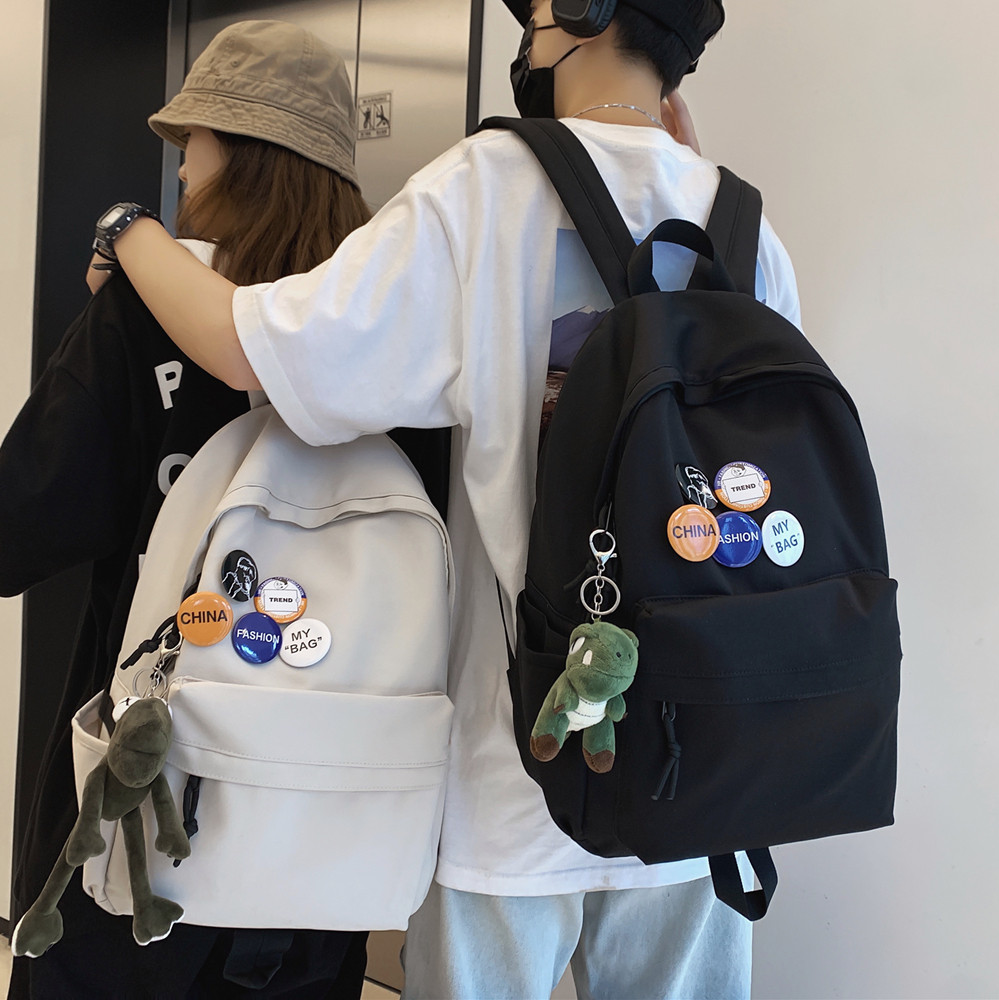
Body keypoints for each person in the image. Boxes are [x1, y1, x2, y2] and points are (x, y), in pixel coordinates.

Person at [99, 2, 803, 996]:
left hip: (512, 782)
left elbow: (256, 350)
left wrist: (128, 233)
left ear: (585, 11)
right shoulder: (746, 225)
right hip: (703, 775)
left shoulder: (487, 189)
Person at [1, 20, 373, 999]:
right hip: (321, 828)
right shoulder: (391, 330)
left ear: (240, 153)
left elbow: (18, 524)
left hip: (138, 813)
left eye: (192, 143)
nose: (181, 169)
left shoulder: (140, 314)